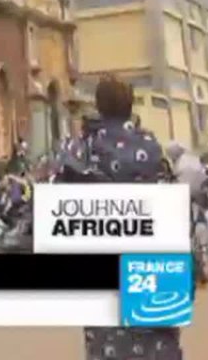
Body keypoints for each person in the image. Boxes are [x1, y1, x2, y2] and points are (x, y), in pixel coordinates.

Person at [60, 75, 181, 360]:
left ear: (98, 105)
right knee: (156, 337)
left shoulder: (81, 149)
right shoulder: (152, 147)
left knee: (106, 341)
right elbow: (173, 210)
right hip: (152, 256)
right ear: (130, 104)